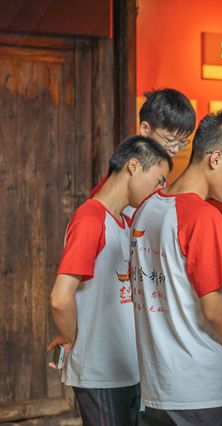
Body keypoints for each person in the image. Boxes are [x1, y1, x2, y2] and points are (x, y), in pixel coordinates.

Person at [131, 110, 222, 426]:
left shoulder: (146, 209)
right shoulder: (202, 217)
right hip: (203, 393)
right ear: (216, 158)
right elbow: (214, 310)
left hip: (156, 390)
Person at [49, 136, 173, 426]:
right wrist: (69, 338)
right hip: (100, 372)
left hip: (128, 368)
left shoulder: (126, 222)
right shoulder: (90, 218)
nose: (160, 190)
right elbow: (59, 298)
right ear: (133, 166)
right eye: (158, 181)